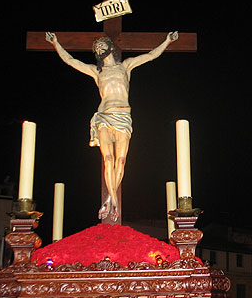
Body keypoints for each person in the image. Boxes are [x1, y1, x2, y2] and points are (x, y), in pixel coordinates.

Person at [45, 30, 179, 222]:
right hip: (104, 116)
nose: (99, 50)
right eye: (96, 48)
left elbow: (150, 56)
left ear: (110, 48)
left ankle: (109, 199)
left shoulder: (126, 67)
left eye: (101, 46)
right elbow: (71, 61)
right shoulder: (96, 71)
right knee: (108, 158)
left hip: (123, 116)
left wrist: (167, 41)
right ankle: (113, 201)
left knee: (121, 161)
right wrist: (56, 43)